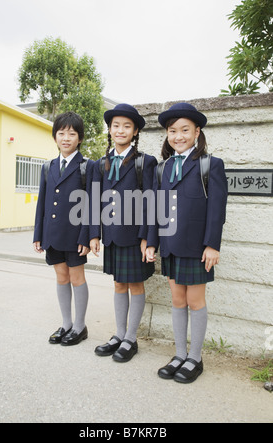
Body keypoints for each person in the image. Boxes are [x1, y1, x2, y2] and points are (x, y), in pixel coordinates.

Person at [146, 102, 228, 383]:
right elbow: (157, 210)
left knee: (195, 301)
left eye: (184, 130)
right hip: (170, 245)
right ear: (167, 135)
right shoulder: (162, 168)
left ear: (197, 132)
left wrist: (212, 245)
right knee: (177, 300)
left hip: (196, 247)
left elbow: (217, 209)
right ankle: (180, 354)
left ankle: (195, 357)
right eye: (172, 131)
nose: (178, 136)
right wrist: (151, 243)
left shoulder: (209, 164)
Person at [90, 104, 157, 362]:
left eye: (126, 126)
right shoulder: (101, 164)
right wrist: (94, 235)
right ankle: (119, 334)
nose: (120, 130)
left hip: (135, 237)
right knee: (118, 284)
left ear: (135, 130)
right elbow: (94, 201)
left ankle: (131, 338)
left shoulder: (145, 162)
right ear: (109, 129)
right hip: (112, 235)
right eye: (116, 125)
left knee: (136, 284)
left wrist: (146, 238)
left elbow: (151, 202)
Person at [33, 111, 94, 347]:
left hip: (76, 235)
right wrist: (39, 234)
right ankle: (66, 323)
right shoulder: (48, 167)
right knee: (61, 277)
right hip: (53, 233)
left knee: (77, 278)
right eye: (61, 133)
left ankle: (80, 326)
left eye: (72, 133)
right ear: (55, 137)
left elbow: (92, 205)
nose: (66, 138)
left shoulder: (87, 166)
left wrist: (87, 236)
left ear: (80, 138)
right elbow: (42, 203)